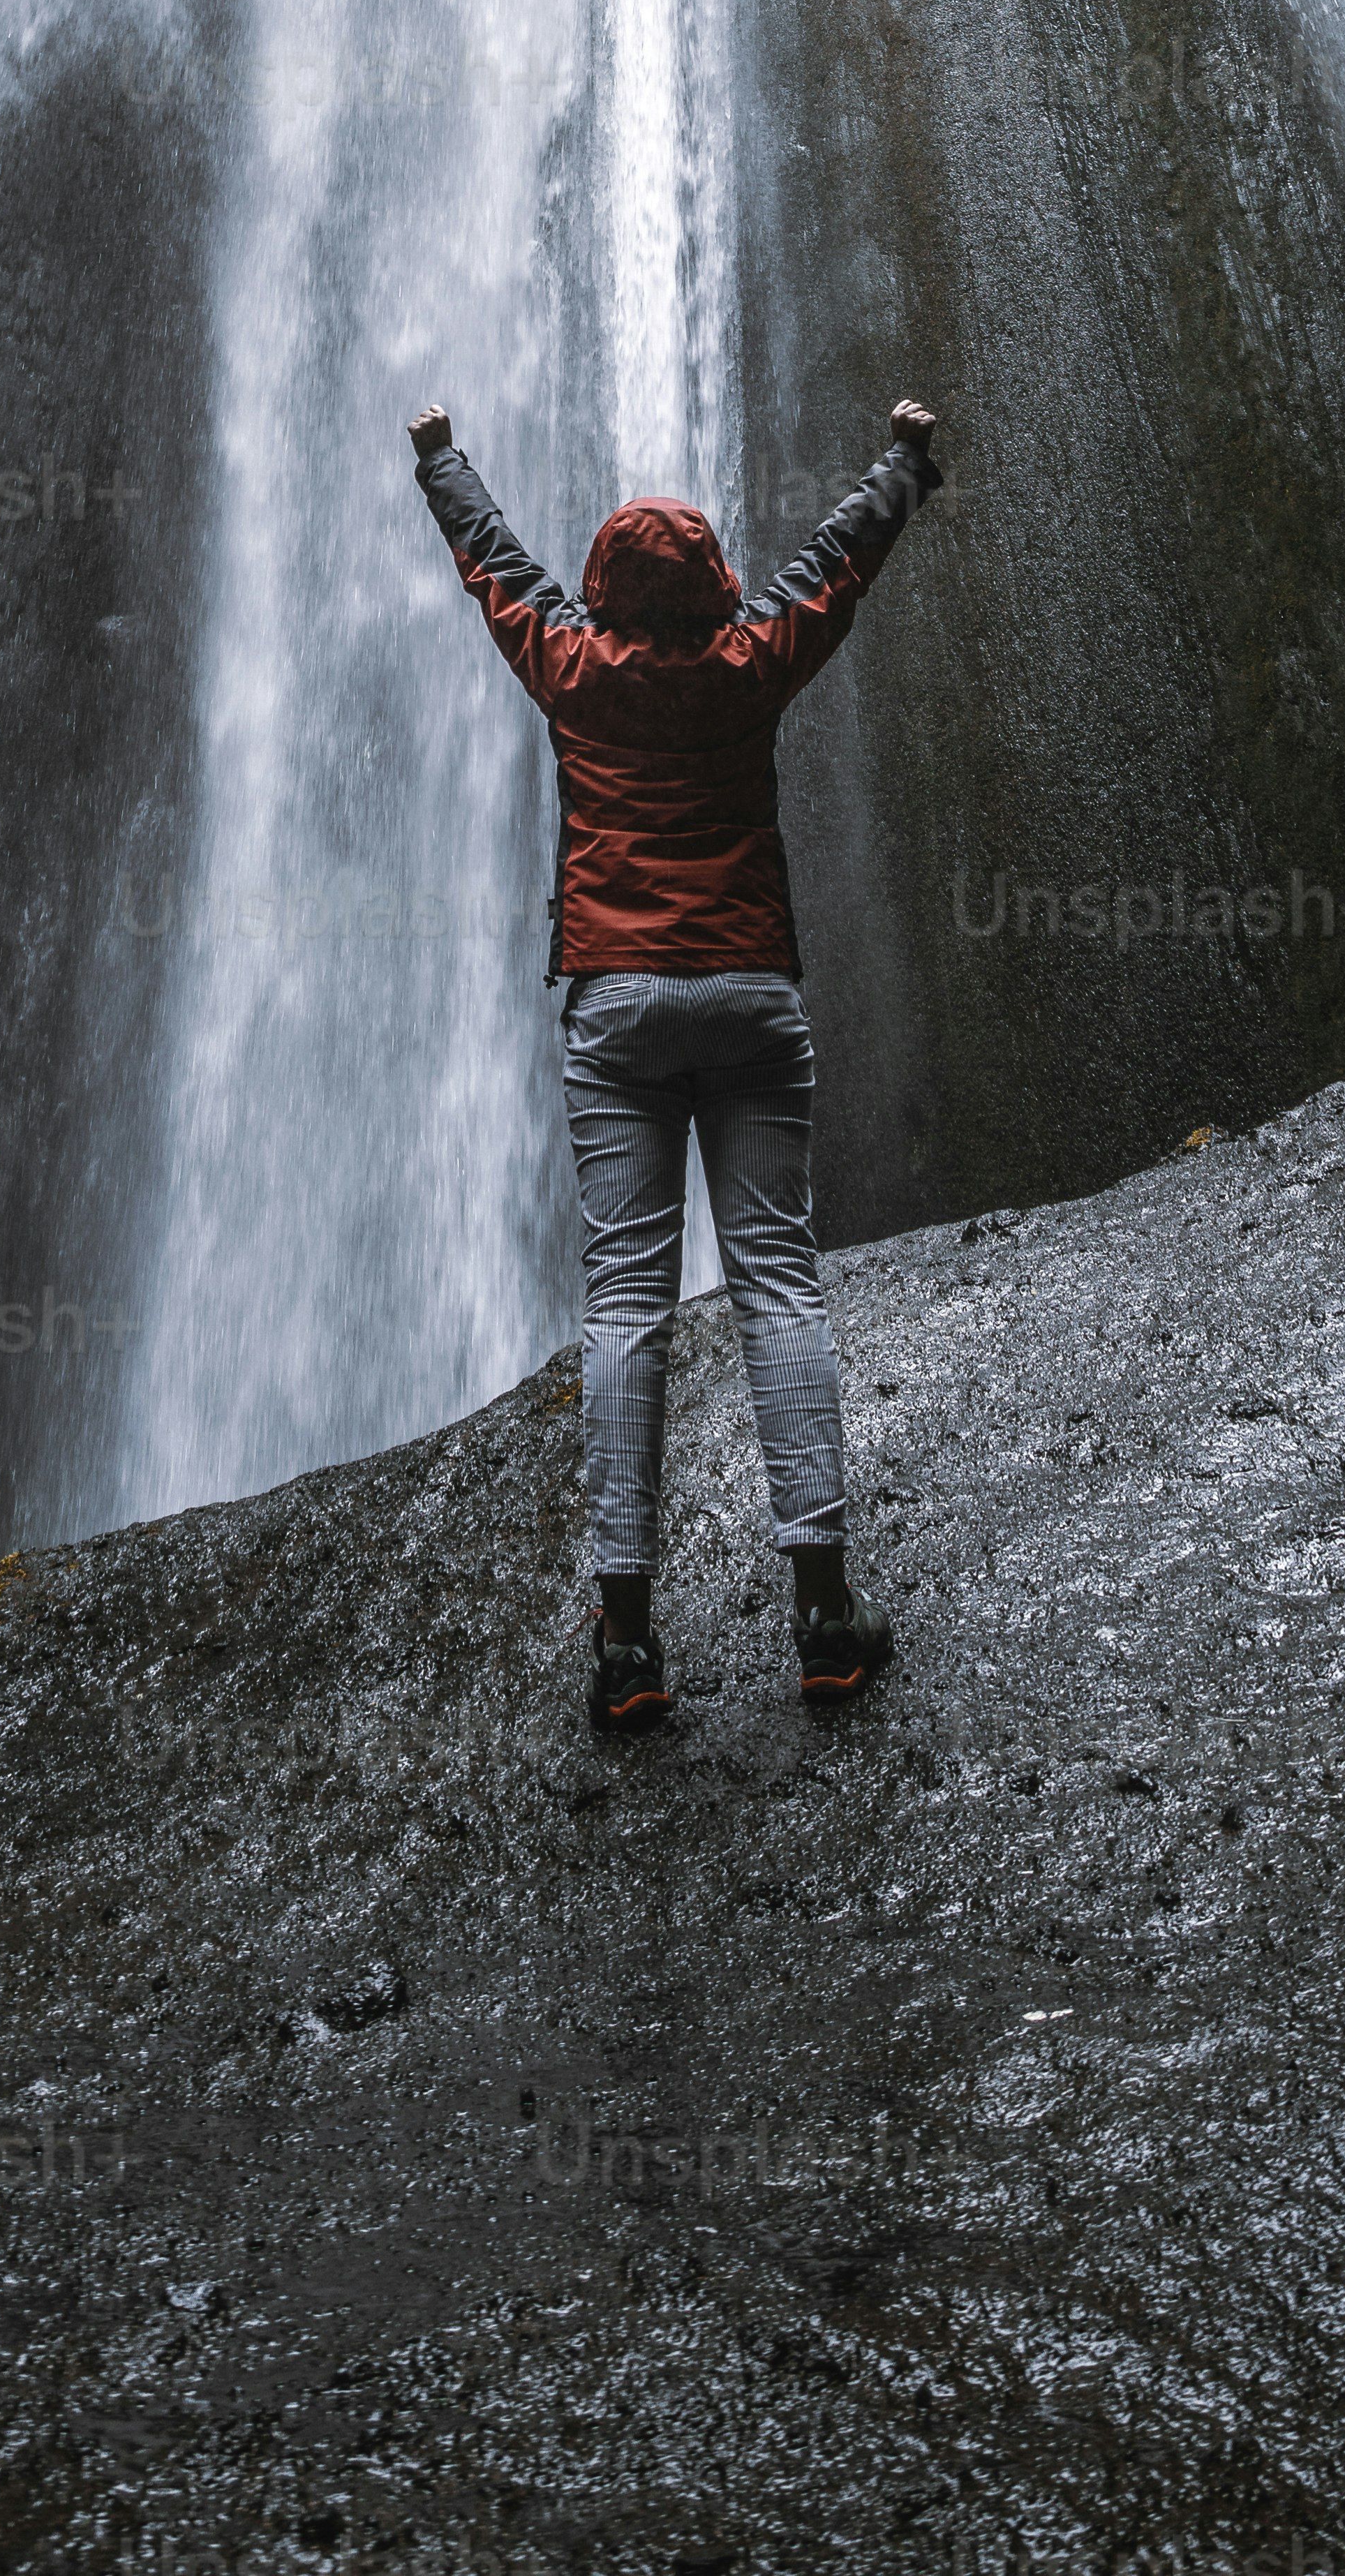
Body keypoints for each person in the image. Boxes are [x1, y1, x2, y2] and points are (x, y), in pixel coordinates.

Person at [403, 391, 946, 1731]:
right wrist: (905, 463)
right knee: (777, 1282)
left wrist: (440, 462)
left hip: (617, 1009)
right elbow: (835, 562)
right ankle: (823, 1619)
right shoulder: (752, 661)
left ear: (603, 592)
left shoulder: (570, 664)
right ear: (714, 589)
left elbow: (500, 568)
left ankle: (629, 1647)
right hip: (749, 996)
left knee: (628, 1302)